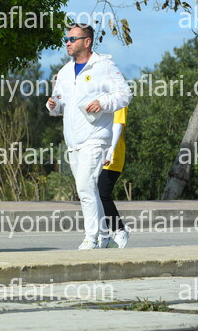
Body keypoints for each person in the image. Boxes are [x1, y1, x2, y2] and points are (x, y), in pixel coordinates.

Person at [47, 23, 132, 250]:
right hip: (73, 141)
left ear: (87, 42)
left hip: (96, 137)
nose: (67, 43)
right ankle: (106, 235)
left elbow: (125, 94)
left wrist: (103, 102)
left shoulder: (104, 66)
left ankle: (91, 238)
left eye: (72, 39)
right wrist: (53, 105)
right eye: (66, 39)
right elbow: (59, 105)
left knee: (85, 187)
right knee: (90, 188)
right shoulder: (64, 72)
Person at [99, 107, 131, 248]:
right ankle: (104, 234)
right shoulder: (100, 99)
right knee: (95, 195)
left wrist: (109, 152)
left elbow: (117, 126)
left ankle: (120, 229)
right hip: (97, 153)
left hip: (112, 156)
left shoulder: (120, 101)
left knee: (102, 193)